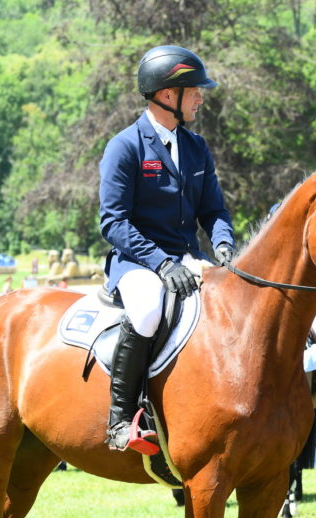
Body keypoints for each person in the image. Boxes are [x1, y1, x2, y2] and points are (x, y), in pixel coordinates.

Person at [99, 45, 235, 452]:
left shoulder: (196, 148)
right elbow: (114, 222)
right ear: (166, 94)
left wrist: (224, 245)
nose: (201, 98)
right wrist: (160, 263)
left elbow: (213, 210)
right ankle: (120, 419)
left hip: (189, 259)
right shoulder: (125, 147)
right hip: (137, 262)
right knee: (147, 309)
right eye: (194, 90)